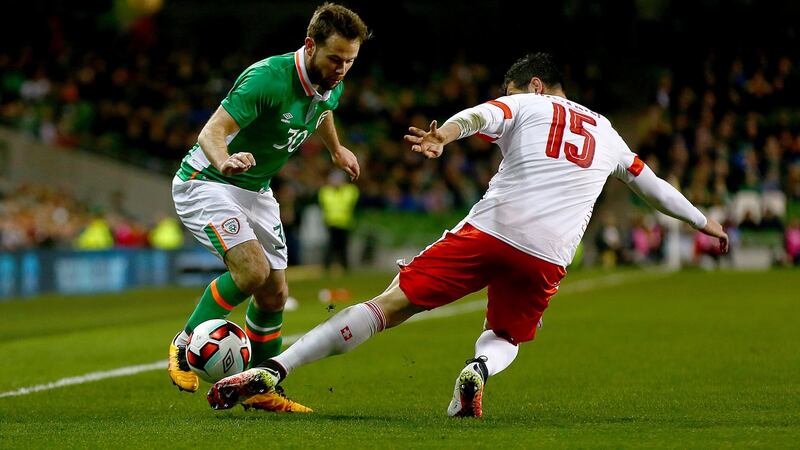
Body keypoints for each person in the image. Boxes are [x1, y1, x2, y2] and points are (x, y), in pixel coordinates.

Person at [206, 53, 729, 417]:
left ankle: (276, 367)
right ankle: (477, 369)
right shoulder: (609, 132)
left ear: (536, 86)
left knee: (389, 305)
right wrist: (702, 221)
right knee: (506, 337)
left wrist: (443, 136)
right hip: (548, 254)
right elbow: (655, 188)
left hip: (491, 230)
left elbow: (481, 116)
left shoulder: (527, 103)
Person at [167, 3, 371, 413]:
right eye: (335, 58)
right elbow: (213, 132)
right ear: (310, 45)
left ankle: (259, 387)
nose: (342, 69)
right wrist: (224, 159)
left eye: (350, 61)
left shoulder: (332, 80)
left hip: (255, 189)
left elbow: (323, 108)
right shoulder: (267, 79)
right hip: (208, 181)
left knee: (275, 294)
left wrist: (335, 148)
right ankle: (185, 343)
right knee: (253, 271)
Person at [319, 169, 360, 272]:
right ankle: (327, 266)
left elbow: (352, 199)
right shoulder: (326, 191)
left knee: (343, 247)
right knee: (331, 246)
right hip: (331, 223)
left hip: (345, 223)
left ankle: (345, 266)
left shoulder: (349, 190)